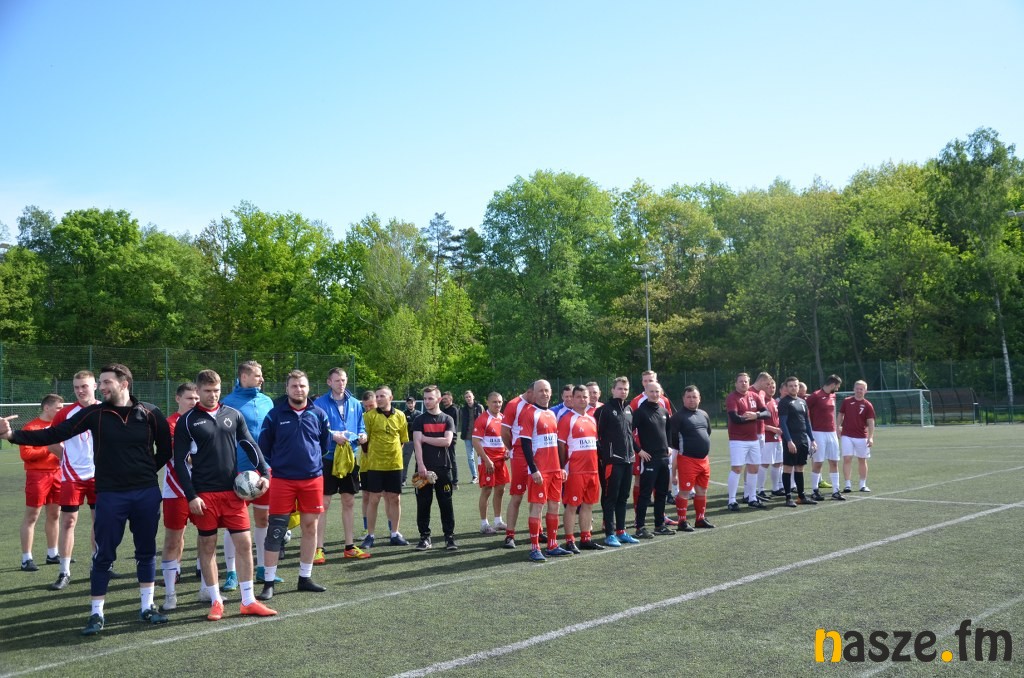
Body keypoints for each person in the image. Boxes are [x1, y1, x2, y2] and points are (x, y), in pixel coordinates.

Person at [1, 363, 173, 635]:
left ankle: (147, 607)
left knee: (146, 551)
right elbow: (54, 434)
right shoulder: (95, 414)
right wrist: (11, 435)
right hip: (110, 494)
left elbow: (165, 448)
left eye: (106, 382)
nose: (101, 387)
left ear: (124, 383)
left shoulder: (150, 412)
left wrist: (146, 471)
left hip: (146, 493)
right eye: (100, 382)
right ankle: (96, 613)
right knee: (103, 554)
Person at [174, 370, 277, 619]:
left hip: (233, 493)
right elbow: (180, 463)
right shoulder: (187, 421)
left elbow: (250, 444)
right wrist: (191, 496)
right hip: (204, 495)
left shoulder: (233, 414)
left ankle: (248, 600)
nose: (213, 395)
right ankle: (216, 600)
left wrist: (264, 472)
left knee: (244, 544)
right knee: (207, 545)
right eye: (208, 391)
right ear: (198, 391)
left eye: (217, 390)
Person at [256, 370, 330, 601]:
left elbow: (324, 445)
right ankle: (268, 582)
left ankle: (305, 577)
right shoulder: (274, 415)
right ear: (287, 389)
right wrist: (282, 464)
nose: (299, 390)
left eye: (302, 386)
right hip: (282, 480)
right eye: (294, 386)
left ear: (308, 388)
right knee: (276, 530)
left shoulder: (319, 414)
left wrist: (309, 462)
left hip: (312, 479)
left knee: (310, 528)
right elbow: (264, 447)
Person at [221, 360, 276, 585]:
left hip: (264, 471)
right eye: (257, 375)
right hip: (237, 472)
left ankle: (262, 568)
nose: (262, 379)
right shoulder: (227, 402)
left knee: (263, 519)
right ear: (244, 377)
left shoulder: (267, 401)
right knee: (233, 524)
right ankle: (231, 573)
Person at [47, 371, 99, 591]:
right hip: (72, 477)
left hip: (100, 475)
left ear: (95, 386)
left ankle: (99, 566)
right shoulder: (65, 413)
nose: (80, 390)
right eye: (76, 387)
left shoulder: (106, 410)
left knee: (100, 521)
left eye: (84, 386)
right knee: (68, 521)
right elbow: (51, 441)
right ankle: (64, 571)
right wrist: (67, 458)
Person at [312, 368, 369, 564]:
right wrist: (332, 436)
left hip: (350, 457)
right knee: (324, 503)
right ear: (329, 382)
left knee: (349, 501)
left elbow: (361, 426)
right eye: (337, 380)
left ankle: (349, 546)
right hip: (327, 458)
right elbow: (316, 429)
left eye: (343, 380)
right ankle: (318, 548)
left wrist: (363, 435)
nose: (341, 383)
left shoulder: (355, 403)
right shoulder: (319, 404)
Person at [517, 380, 571, 561]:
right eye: (540, 391)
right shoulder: (529, 413)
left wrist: (561, 467)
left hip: (555, 470)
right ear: (533, 393)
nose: (544, 394)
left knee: (555, 506)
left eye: (547, 390)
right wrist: (533, 469)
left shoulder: (551, 414)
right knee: (538, 507)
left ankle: (553, 545)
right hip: (540, 470)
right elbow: (525, 444)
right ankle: (535, 548)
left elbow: (556, 443)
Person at [158, 382, 200, 611]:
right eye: (189, 398)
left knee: (207, 535)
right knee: (174, 538)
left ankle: (205, 579)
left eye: (196, 398)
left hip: (203, 488)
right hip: (175, 490)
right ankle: (172, 581)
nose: (194, 402)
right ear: (177, 399)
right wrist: (210, 458)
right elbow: (181, 456)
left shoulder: (204, 420)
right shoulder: (169, 424)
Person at [18, 394, 64, 572]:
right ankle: (26, 558)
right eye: (58, 408)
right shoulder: (31, 428)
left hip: (57, 474)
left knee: (55, 515)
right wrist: (49, 448)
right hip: (37, 476)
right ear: (46, 408)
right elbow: (26, 455)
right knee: (32, 516)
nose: (61, 411)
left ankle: (52, 554)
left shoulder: (60, 427)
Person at [360, 386, 409, 549]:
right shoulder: (369, 416)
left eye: (382, 396)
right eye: (377, 396)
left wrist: (393, 454)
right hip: (375, 464)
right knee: (374, 499)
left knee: (395, 498)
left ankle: (395, 533)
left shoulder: (400, 415)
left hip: (395, 464)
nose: (379, 398)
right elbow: (365, 441)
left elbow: (402, 440)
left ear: (391, 398)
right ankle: (370, 535)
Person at [595, 377, 640, 547]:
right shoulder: (604, 410)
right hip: (612, 461)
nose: (623, 391)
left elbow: (629, 434)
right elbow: (597, 437)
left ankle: (621, 531)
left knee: (623, 498)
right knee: (610, 498)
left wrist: (635, 452)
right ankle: (610, 534)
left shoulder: (629, 409)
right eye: (620, 388)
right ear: (613, 390)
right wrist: (606, 455)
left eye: (625, 389)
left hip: (629, 460)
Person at [558, 386, 604, 552]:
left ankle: (586, 538)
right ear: (572, 398)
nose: (582, 400)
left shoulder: (592, 419)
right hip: (575, 470)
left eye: (585, 397)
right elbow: (560, 445)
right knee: (572, 505)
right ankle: (569, 540)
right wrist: (563, 467)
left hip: (592, 470)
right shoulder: (567, 419)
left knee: (588, 505)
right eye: (578, 397)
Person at [413, 386, 458, 551]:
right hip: (423, 469)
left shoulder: (447, 419)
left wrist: (425, 438)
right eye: (425, 398)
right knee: (423, 504)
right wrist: (421, 465)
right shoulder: (419, 420)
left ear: (439, 399)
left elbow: (447, 441)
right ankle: (424, 537)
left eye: (430, 398)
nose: (426, 401)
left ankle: (449, 537)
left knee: (446, 504)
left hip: (444, 468)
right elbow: (416, 443)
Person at [631, 381, 675, 537]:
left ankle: (659, 525)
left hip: (664, 459)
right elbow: (628, 432)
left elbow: (669, 431)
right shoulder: (640, 412)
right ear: (646, 392)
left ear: (661, 392)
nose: (655, 394)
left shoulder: (664, 411)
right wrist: (639, 451)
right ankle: (640, 527)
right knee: (645, 494)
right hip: (649, 460)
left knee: (661, 494)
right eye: (651, 391)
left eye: (657, 391)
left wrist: (669, 446)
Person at [669, 386, 715, 531]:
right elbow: (674, 442)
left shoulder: (704, 414)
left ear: (699, 398)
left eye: (694, 397)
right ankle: (682, 522)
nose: (691, 400)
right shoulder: (677, 417)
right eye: (688, 397)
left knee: (702, 491)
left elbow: (707, 432)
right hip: (687, 460)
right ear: (683, 399)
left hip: (704, 460)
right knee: (685, 491)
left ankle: (700, 519)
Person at [725, 372, 769, 510]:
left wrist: (756, 415)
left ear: (749, 383)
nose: (743, 383)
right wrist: (751, 417)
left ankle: (752, 498)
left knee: (754, 468)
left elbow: (767, 413)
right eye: (741, 381)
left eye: (745, 381)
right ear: (736, 383)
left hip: (753, 439)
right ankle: (732, 500)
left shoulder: (754, 396)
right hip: (737, 439)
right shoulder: (732, 397)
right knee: (737, 468)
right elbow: (735, 418)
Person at [499, 384, 534, 548]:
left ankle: (537, 531)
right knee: (517, 495)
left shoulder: (538, 405)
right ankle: (510, 535)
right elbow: (504, 432)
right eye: (539, 392)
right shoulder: (514, 404)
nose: (542, 396)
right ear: (529, 392)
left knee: (537, 496)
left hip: (537, 454)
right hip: (520, 454)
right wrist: (512, 448)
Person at [778, 376, 818, 507]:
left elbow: (806, 422)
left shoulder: (802, 402)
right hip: (791, 440)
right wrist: (789, 441)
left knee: (800, 467)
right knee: (788, 468)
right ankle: (788, 498)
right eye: (790, 386)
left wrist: (812, 439)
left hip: (802, 439)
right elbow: (783, 423)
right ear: (786, 387)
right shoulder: (784, 402)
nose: (793, 388)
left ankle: (801, 497)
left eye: (795, 385)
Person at [472, 392, 508, 535]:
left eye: (499, 402)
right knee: (487, 490)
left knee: (500, 490)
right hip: (487, 462)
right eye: (494, 402)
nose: (497, 404)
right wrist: (486, 460)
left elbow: (506, 438)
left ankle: (498, 521)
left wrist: (507, 450)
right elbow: (475, 441)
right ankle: (484, 524)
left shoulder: (503, 418)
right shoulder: (483, 419)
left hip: (500, 461)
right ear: (487, 402)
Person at [806, 375, 846, 501]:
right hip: (818, 432)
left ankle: (836, 491)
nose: (837, 389)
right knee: (818, 462)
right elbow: (804, 410)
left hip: (831, 433)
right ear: (833, 384)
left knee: (834, 461)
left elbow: (832, 414)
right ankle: (815, 490)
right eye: (837, 386)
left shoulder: (833, 396)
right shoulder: (815, 396)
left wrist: (836, 428)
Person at [838, 380, 876, 493]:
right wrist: (837, 427)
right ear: (854, 389)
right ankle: (847, 485)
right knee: (847, 458)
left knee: (862, 460)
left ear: (865, 391)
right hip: (847, 435)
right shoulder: (847, 401)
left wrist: (870, 437)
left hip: (862, 436)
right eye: (857, 388)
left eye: (861, 389)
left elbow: (871, 422)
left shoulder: (868, 405)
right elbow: (840, 414)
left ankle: (862, 484)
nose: (859, 391)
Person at [758, 378, 786, 499]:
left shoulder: (774, 401)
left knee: (778, 463)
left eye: (773, 386)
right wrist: (772, 429)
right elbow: (758, 422)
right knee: (764, 464)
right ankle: (760, 490)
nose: (771, 388)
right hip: (767, 438)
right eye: (768, 386)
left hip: (777, 438)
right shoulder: (761, 402)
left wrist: (780, 428)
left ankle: (776, 488)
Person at [459, 390, 484, 484]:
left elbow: (484, 420)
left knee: (481, 455)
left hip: (479, 436)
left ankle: (483, 475)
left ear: (473, 397)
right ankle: (475, 476)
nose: (468, 398)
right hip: (468, 437)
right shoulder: (463, 409)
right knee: (470, 458)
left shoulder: (479, 407)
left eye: (469, 396)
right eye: (466, 397)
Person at [440, 391, 461, 488]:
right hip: (443, 437)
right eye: (443, 399)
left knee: (452, 459)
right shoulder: (443, 410)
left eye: (446, 399)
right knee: (443, 459)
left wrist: (452, 437)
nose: (444, 400)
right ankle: (445, 479)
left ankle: (455, 482)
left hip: (451, 438)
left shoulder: (454, 409)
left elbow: (453, 426)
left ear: (450, 399)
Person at [401, 396, 419, 485]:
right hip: (408, 441)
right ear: (406, 404)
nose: (410, 404)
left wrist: (410, 424)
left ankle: (418, 479)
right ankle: (403, 480)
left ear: (414, 403)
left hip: (418, 441)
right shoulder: (403, 414)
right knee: (405, 461)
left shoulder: (419, 414)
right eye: (408, 403)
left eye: (412, 403)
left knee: (419, 461)